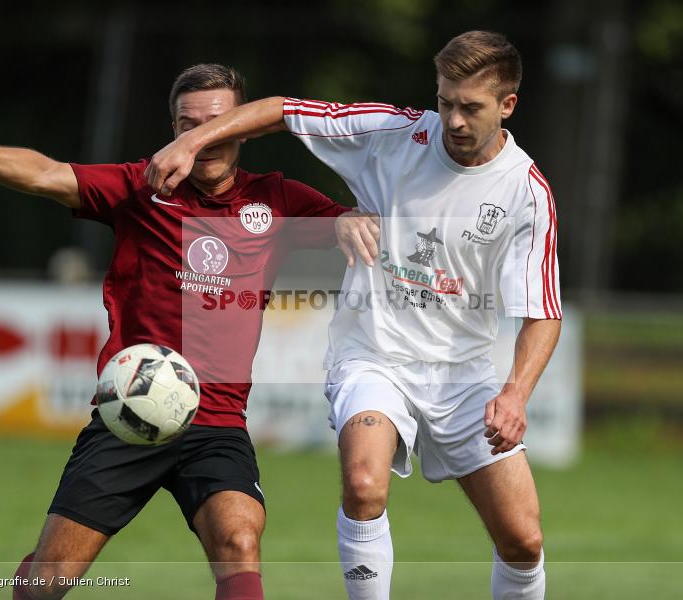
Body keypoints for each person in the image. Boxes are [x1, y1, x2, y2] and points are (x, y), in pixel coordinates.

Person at [0, 63, 379, 600]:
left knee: (239, 541)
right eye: (186, 124)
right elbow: (44, 173)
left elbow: (364, 231)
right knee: (47, 583)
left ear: (241, 127)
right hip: (129, 416)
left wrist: (347, 221)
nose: (199, 136)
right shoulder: (139, 188)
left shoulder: (277, 199)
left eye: (215, 122)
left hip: (217, 422)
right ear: (173, 130)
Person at [143, 31, 562, 600]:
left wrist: (514, 394)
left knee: (524, 541)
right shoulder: (392, 133)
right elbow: (278, 112)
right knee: (364, 484)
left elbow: (542, 312)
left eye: (471, 107)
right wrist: (190, 145)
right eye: (444, 102)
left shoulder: (527, 191)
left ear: (508, 105)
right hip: (373, 356)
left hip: (463, 376)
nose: (454, 121)